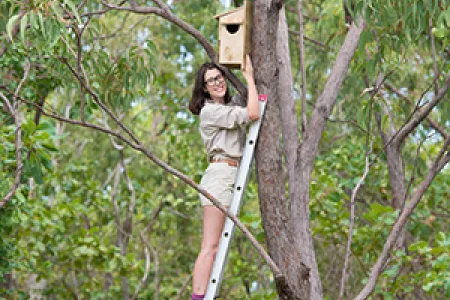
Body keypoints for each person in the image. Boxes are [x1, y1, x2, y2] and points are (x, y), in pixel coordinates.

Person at [188, 55, 259, 300]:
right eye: (211, 81)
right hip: (219, 176)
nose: (218, 83)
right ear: (204, 88)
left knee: (215, 247)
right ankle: (197, 298)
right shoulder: (210, 112)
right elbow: (252, 113)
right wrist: (249, 76)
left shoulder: (227, 108)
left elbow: (242, 107)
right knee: (211, 246)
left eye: (220, 77)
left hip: (228, 175)